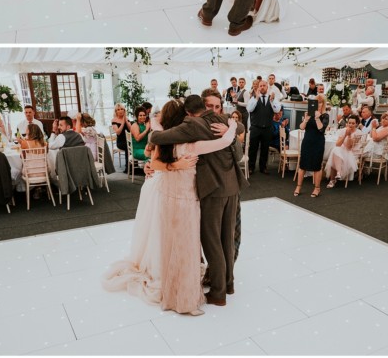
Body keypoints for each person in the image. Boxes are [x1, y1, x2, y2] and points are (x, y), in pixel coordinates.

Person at [103, 101, 237, 315]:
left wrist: (159, 122)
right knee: (186, 243)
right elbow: (228, 140)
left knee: (171, 241)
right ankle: (183, 287)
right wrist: (232, 124)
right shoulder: (192, 145)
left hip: (170, 198)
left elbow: (155, 126)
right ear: (184, 118)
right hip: (186, 201)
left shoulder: (163, 138)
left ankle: (171, 281)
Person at [147, 95, 248, 306]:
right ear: (204, 106)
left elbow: (157, 138)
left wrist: (154, 122)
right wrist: (231, 126)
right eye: (210, 105)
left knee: (212, 243)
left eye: (216, 105)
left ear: (189, 112)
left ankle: (219, 293)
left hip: (213, 189)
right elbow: (239, 126)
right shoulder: (223, 119)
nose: (214, 108)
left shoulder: (192, 124)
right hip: (232, 187)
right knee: (227, 239)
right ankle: (228, 284)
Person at [295, 95, 330, 197]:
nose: (317, 105)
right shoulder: (308, 114)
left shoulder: (325, 116)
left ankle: (317, 188)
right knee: (302, 165)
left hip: (318, 142)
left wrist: (317, 118)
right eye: (315, 102)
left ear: (322, 104)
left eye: (319, 102)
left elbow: (321, 129)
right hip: (307, 141)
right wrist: (306, 119)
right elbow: (301, 127)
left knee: (316, 166)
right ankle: (298, 186)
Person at [247, 80, 281, 175]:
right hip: (255, 128)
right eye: (260, 86)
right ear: (258, 87)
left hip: (267, 128)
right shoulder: (253, 98)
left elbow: (277, 109)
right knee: (253, 148)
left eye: (264, 86)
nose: (262, 87)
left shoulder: (272, 98)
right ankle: (251, 167)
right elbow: (249, 109)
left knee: (265, 149)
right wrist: (256, 98)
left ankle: (263, 167)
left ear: (267, 87)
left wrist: (273, 100)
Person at [325, 114, 361, 188]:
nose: (350, 125)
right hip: (341, 150)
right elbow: (338, 144)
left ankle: (332, 180)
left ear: (357, 124)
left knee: (335, 153)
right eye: (349, 123)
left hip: (352, 152)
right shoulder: (342, 130)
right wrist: (345, 135)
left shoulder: (358, 133)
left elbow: (349, 147)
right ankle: (338, 173)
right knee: (336, 150)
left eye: (353, 123)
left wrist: (349, 135)